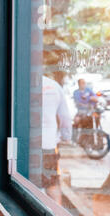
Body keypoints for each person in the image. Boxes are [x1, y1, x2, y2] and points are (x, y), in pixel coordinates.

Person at [41, 76, 72, 205]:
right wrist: (66, 136)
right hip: (48, 143)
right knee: (52, 184)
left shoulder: (19, 82)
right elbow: (65, 116)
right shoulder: (53, 85)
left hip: (24, 144)